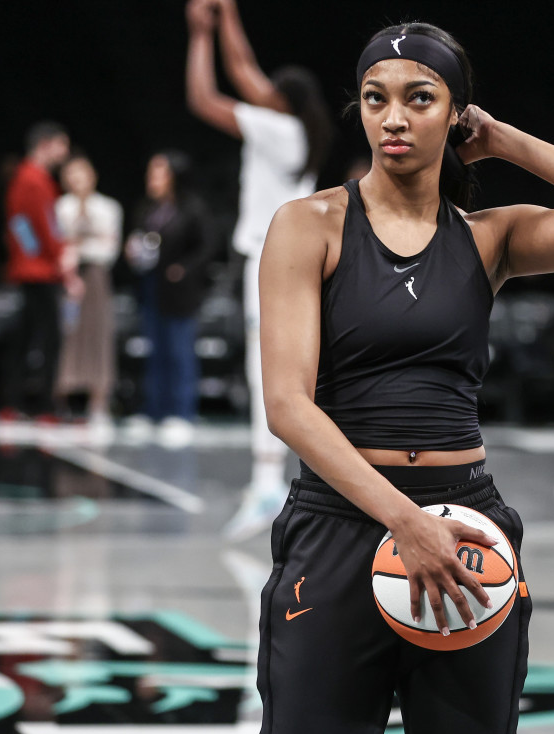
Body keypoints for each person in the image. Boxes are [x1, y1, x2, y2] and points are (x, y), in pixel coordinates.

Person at [254, 22, 554, 734]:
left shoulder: (487, 239)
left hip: (466, 531)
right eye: (375, 99)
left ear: (456, 115)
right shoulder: (307, 226)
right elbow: (287, 407)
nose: (393, 118)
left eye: (420, 98)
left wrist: (505, 142)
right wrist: (406, 521)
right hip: (341, 532)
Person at [185, 0, 334, 537]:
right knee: (290, 370)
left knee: (266, 371)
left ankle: (270, 483)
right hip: (293, 259)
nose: (257, 86)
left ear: (283, 99)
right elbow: (245, 65)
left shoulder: (279, 129)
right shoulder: (294, 129)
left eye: (270, 89)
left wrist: (199, 35)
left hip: (273, 260)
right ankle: (290, 482)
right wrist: (225, 16)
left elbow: (205, 97)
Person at [124, 151, 214, 448]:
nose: (152, 179)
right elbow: (141, 240)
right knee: (155, 351)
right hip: (151, 287)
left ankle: (181, 412)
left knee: (179, 351)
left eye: (159, 172)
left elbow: (206, 247)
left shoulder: (192, 208)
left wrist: (185, 269)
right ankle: (154, 410)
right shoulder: (146, 208)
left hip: (180, 291)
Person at [0, 121, 80, 422]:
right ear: (45, 144)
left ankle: (14, 401)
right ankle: (44, 405)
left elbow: (20, 226)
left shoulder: (24, 177)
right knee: (50, 338)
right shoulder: (34, 179)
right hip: (40, 272)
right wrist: (58, 259)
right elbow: (45, 226)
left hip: (31, 267)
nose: (65, 152)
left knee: (27, 336)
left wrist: (30, 254)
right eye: (62, 145)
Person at [54, 154, 123, 427]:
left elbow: (108, 249)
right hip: (68, 277)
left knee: (98, 333)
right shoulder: (60, 207)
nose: (77, 180)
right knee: (67, 334)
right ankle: (61, 399)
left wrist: (80, 243)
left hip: (96, 275)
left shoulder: (108, 208)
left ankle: (99, 401)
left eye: (81, 173)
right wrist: (78, 246)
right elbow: (59, 245)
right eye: (71, 174)